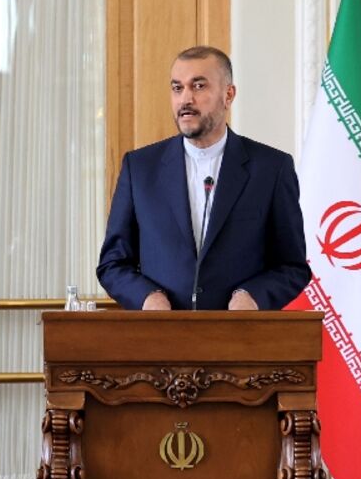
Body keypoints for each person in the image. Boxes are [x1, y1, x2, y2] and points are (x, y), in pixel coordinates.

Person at [96, 46, 311, 311]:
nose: (185, 99)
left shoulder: (271, 168)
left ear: (228, 95)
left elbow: (292, 266)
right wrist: (148, 298)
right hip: (160, 340)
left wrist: (251, 295)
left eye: (198, 86)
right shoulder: (140, 168)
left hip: (240, 340)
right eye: (177, 88)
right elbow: (112, 264)